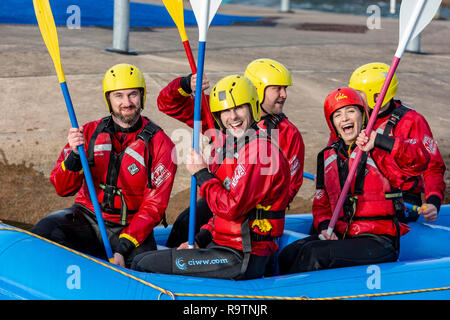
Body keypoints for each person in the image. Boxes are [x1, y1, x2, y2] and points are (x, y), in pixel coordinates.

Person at [131, 75, 291, 280]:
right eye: (225, 110)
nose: (232, 116)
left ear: (252, 107)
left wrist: (201, 173)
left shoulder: (259, 151)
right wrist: (199, 239)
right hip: (225, 246)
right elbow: (219, 215)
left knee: (142, 264)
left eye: (239, 108)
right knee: (145, 258)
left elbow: (231, 208)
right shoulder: (232, 146)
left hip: (243, 255)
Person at [31, 63, 177, 267]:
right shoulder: (88, 133)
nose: (127, 103)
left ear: (142, 96)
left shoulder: (161, 144)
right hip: (88, 217)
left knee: (145, 267)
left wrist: (123, 248)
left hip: (131, 227)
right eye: (118, 95)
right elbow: (62, 188)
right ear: (108, 99)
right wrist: (74, 156)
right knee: (45, 232)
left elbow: (154, 206)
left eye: (133, 94)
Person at [278, 87, 430, 275]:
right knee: (288, 254)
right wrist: (326, 227)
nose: (345, 118)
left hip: (378, 240)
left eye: (351, 111)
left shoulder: (380, 150)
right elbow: (321, 204)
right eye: (338, 115)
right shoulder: (327, 156)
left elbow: (421, 159)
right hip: (344, 236)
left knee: (314, 254)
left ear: (363, 115)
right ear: (332, 123)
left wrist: (382, 142)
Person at [159, 58, 305, 248]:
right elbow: (167, 103)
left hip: (247, 212)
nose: (284, 95)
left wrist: (250, 201)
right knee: (185, 223)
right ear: (257, 88)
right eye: (277, 88)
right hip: (218, 196)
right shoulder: (223, 112)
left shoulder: (288, 134)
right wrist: (186, 84)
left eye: (285, 88)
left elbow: (289, 188)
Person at [348, 62, 446, 223]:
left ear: (377, 96)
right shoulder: (355, 117)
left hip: (402, 201)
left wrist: (433, 201)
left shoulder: (413, 121)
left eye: (359, 93)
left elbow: (433, 167)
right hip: (363, 196)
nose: (354, 98)